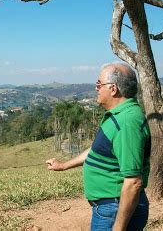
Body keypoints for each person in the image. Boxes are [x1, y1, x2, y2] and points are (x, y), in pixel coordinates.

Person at [46, 62, 151, 231]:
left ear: (113, 89)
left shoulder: (126, 122)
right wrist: (63, 165)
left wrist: (119, 227)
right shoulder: (118, 115)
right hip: (110, 207)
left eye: (99, 84)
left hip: (115, 208)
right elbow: (97, 151)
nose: (96, 88)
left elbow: (133, 182)